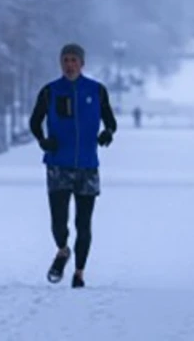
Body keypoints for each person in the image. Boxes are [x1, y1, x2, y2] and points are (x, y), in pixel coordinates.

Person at [29, 43, 116, 289]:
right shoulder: (50, 92)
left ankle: (79, 273)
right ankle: (63, 250)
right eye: (65, 60)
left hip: (87, 166)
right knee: (59, 222)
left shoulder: (97, 91)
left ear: (82, 63)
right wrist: (43, 140)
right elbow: (35, 122)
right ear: (60, 63)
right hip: (58, 165)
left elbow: (110, 121)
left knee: (83, 223)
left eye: (74, 60)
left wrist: (107, 133)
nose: (69, 65)